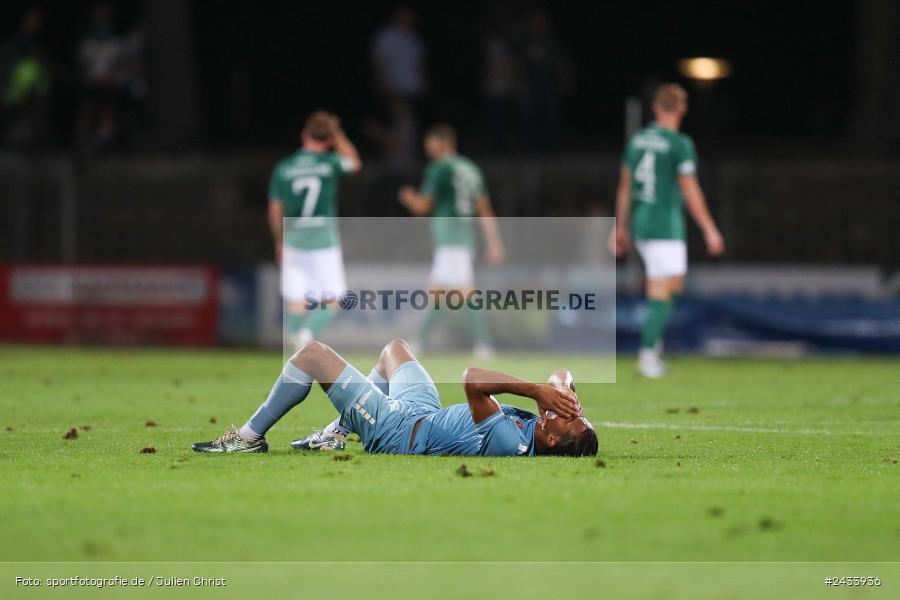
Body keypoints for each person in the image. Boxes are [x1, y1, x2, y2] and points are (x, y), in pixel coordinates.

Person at [192, 338, 598, 458]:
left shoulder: (512, 440)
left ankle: (248, 438)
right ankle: (336, 431)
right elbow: (561, 374)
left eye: (566, 418)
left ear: (548, 438)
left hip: (397, 430)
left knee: (312, 355)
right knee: (394, 350)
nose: (559, 410)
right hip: (423, 413)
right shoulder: (546, 430)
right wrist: (560, 391)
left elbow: (472, 379)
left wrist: (535, 390)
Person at [611, 83, 724, 378]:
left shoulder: (637, 141)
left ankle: (653, 347)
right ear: (682, 109)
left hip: (642, 222)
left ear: (656, 108)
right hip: (664, 224)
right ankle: (647, 356)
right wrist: (710, 229)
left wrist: (620, 227)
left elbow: (625, 188)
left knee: (668, 285)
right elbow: (690, 189)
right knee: (662, 288)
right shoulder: (680, 144)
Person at [398, 124, 506, 358]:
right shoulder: (471, 169)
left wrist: (409, 198)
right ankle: (421, 341)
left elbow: (423, 206)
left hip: (449, 236)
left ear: (443, 143)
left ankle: (482, 344)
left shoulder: (439, 168)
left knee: (462, 291)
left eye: (430, 142)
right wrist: (494, 242)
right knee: (442, 291)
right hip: (464, 236)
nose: (427, 148)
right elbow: (484, 209)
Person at [268, 111, 361, 351]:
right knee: (334, 299)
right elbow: (354, 162)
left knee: (297, 300)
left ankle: (293, 351)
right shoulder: (330, 163)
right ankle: (306, 335)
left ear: (304, 135)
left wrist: (280, 241)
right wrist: (338, 136)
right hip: (323, 239)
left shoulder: (284, 167)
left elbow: (275, 210)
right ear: (329, 140)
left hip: (294, 239)